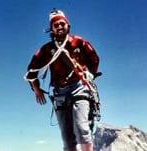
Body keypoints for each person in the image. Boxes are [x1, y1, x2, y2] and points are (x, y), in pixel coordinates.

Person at [25, 9, 101, 151]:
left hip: (80, 88)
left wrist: (90, 74)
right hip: (59, 92)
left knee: (81, 128)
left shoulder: (80, 43)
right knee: (67, 138)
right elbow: (31, 71)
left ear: (68, 26)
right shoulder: (46, 50)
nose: (59, 27)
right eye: (56, 25)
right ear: (52, 29)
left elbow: (94, 58)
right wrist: (36, 88)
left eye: (62, 24)